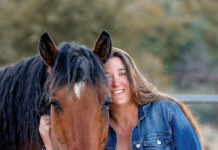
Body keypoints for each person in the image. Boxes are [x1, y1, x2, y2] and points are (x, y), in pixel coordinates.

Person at [39, 47, 204, 150]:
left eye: (122, 73)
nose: (116, 83)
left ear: (133, 76)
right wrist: (47, 141)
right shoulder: (97, 129)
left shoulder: (166, 112)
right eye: (106, 76)